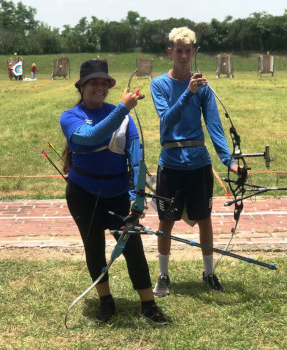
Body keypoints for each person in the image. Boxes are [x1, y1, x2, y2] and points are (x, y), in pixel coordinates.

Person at [59, 59, 172, 324]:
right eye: (93, 82)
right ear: (81, 86)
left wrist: (138, 196)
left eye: (104, 83)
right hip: (82, 194)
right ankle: (106, 302)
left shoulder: (124, 117)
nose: (99, 87)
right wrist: (123, 108)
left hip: (119, 193)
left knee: (133, 246)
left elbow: (136, 159)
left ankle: (148, 304)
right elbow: (91, 137)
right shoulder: (70, 117)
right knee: (94, 247)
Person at [149, 27, 243, 296]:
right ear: (171, 52)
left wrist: (229, 162)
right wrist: (188, 92)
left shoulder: (203, 86)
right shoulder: (159, 84)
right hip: (170, 161)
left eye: (188, 51)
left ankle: (209, 273)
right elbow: (167, 120)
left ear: (193, 52)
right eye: (178, 51)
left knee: (204, 219)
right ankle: (163, 275)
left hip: (198, 162)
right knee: (166, 220)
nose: (183, 56)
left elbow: (214, 125)